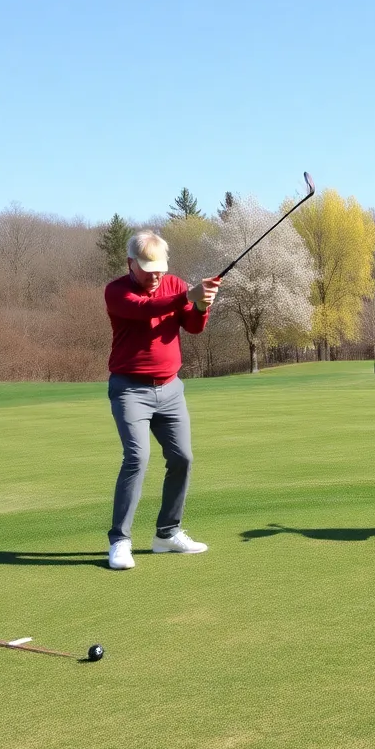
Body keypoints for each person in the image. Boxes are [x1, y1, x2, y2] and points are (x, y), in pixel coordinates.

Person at [103, 231, 221, 570]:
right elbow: (145, 310)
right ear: (131, 263)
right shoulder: (116, 291)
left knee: (182, 458)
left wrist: (201, 305)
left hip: (171, 389)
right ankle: (120, 541)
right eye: (148, 269)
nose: (155, 276)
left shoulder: (174, 285)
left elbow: (193, 327)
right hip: (130, 390)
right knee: (136, 458)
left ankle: (166, 534)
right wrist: (187, 296)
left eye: (160, 270)